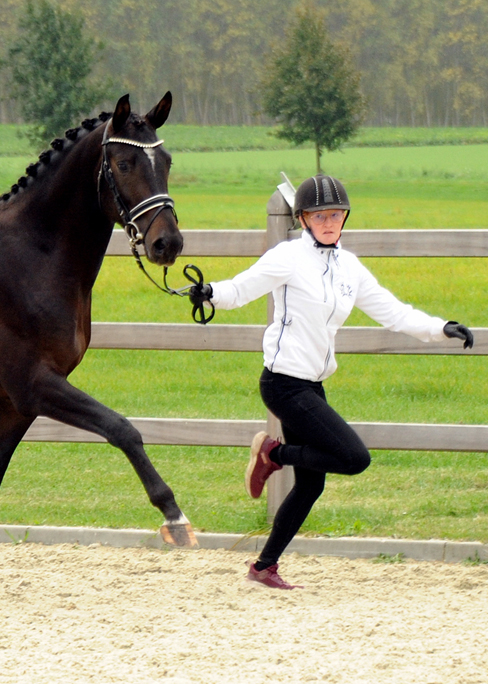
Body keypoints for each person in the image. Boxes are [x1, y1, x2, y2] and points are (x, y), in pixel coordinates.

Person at [187, 174, 475, 589]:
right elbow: (242, 287)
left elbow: (393, 313)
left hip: (313, 386)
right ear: (303, 219)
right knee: (354, 458)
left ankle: (263, 567)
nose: (328, 221)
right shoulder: (288, 257)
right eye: (319, 215)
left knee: (310, 486)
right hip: (284, 384)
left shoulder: (349, 267)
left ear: (344, 218)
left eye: (336, 214)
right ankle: (274, 454)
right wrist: (209, 292)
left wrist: (441, 327)